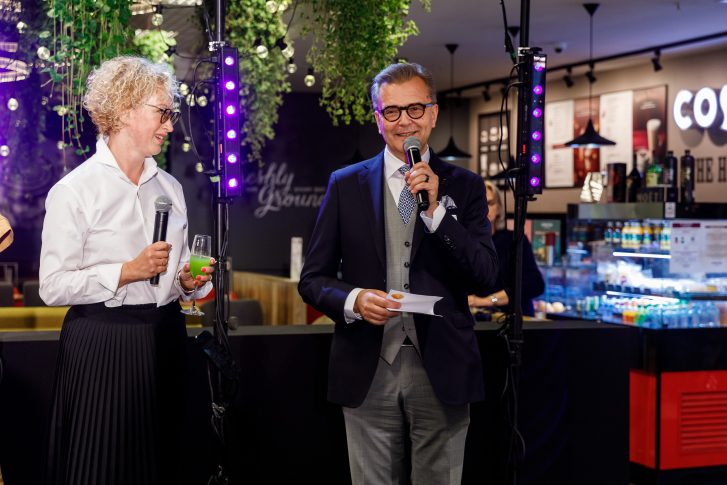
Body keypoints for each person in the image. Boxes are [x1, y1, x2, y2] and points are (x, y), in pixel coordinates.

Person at [298, 62, 498, 485]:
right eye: (392, 111)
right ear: (378, 119)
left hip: (443, 364)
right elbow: (312, 279)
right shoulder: (345, 184)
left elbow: (485, 275)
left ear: (433, 113)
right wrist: (354, 300)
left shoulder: (465, 186)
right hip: (367, 366)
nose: (404, 120)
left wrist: (436, 213)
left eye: (415, 109)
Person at [39, 56, 214, 485]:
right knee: (103, 467)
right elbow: (52, 286)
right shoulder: (74, 191)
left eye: (171, 114)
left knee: (166, 465)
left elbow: (173, 276)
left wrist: (185, 283)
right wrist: (126, 271)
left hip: (167, 337)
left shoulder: (170, 188)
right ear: (123, 110)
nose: (169, 125)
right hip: (103, 344)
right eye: (162, 112)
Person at [468, 180, 545, 317]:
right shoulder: (463, 243)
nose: (484, 209)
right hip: (475, 321)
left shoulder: (514, 240)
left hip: (511, 319)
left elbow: (535, 284)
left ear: (498, 208)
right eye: (479, 203)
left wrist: (487, 301)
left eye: (490, 203)